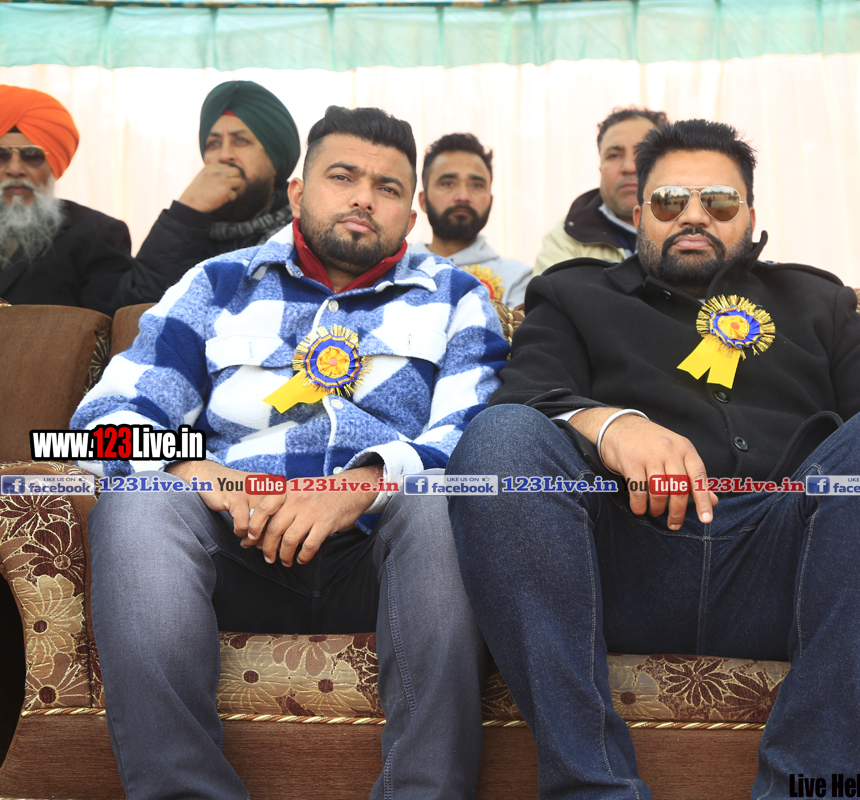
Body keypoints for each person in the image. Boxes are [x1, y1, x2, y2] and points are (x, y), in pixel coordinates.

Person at [447, 119, 860, 797]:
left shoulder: (817, 301)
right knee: (500, 439)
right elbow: (524, 399)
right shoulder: (575, 294)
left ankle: (807, 783)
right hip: (623, 558)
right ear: (638, 215)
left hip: (789, 564)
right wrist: (614, 426)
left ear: (749, 215)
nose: (693, 216)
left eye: (719, 202)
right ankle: (591, 787)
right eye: (669, 202)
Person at [72, 105, 509, 800]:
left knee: (438, 511)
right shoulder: (214, 285)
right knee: (138, 505)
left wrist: (362, 484)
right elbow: (94, 428)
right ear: (299, 192)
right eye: (343, 177)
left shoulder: (457, 298)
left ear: (411, 215)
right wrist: (193, 467)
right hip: (235, 550)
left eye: (388, 188)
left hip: (381, 558)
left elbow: (476, 433)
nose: (364, 198)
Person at [111, 80, 300, 307]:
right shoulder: (186, 229)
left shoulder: (303, 231)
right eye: (214, 143)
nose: (224, 155)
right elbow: (133, 309)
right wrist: (185, 213)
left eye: (240, 141)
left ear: (275, 160)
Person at [0, 85, 134, 316]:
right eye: (1, 154)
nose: (14, 169)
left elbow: (106, 327)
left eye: (32, 155)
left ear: (54, 163)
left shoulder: (98, 234)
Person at [533, 106, 668, 274]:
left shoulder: (693, 225)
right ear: (600, 168)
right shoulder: (565, 240)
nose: (629, 167)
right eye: (614, 155)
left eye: (643, 154)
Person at [409, 132, 532, 307]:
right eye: (448, 183)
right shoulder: (393, 266)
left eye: (476, 185)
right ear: (423, 201)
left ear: (490, 201)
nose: (463, 196)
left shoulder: (519, 279)